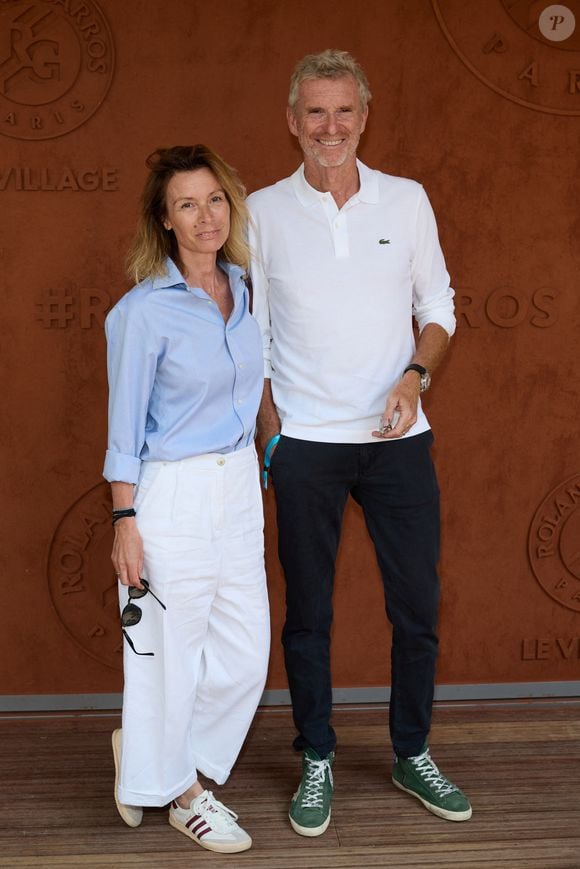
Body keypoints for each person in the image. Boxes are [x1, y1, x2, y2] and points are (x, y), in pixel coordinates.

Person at [247, 49, 472, 837]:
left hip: (398, 441)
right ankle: (317, 756)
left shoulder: (405, 201)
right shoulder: (260, 211)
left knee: (418, 607)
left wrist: (416, 375)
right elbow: (254, 335)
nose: (330, 127)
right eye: (315, 112)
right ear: (292, 121)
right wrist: (273, 441)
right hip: (305, 443)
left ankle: (412, 750)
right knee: (307, 615)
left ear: (364, 117)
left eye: (344, 111)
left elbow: (439, 305)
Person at [103, 145, 269, 854]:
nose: (206, 216)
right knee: (167, 655)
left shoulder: (245, 288)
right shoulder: (142, 312)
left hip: (237, 485)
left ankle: (152, 754)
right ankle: (184, 793)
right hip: (169, 491)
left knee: (244, 654)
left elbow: (257, 388)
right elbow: (123, 427)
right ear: (165, 221)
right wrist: (124, 519)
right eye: (187, 204)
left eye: (215, 200)